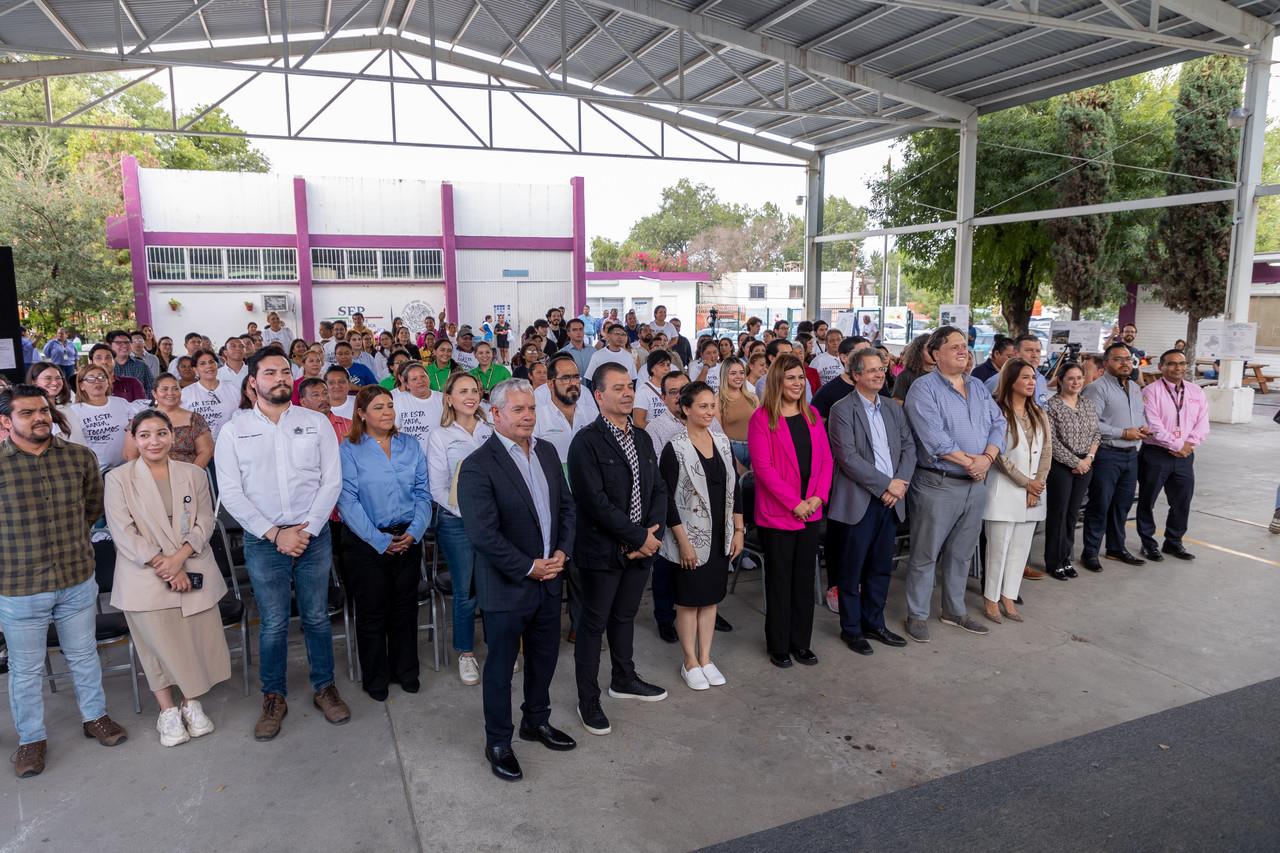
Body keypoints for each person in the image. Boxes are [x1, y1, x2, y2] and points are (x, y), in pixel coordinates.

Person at [214, 350, 351, 740]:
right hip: (263, 541)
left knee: (316, 616)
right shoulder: (234, 430)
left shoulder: (315, 422)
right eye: (269, 372)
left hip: (313, 535)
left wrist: (305, 529)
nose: (279, 378)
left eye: (284, 372)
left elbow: (331, 481)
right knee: (273, 623)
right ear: (252, 382)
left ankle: (324, 687)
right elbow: (231, 493)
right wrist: (276, 534)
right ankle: (274, 696)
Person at [0, 385, 127, 778]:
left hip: (75, 576)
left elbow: (92, 507)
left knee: (84, 654)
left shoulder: (78, 458)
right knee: (26, 669)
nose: (40, 417)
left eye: (43, 410)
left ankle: (95, 717)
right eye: (27, 413)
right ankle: (31, 740)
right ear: (6, 422)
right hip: (20, 586)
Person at [456, 379, 577, 782]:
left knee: (545, 658)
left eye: (531, 409)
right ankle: (498, 742)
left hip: (549, 579)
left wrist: (561, 552)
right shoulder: (477, 465)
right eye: (518, 410)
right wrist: (529, 567)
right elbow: (483, 535)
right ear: (496, 415)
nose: (528, 416)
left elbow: (566, 508)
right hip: (508, 586)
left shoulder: (546, 452)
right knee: (501, 669)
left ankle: (535, 721)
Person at [104, 410, 231, 747]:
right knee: (156, 646)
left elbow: (205, 519)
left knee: (196, 639)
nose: (153, 441)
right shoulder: (118, 479)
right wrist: (164, 565)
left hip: (192, 565)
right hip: (144, 575)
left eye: (161, 433)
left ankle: (192, 703)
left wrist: (179, 559)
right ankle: (168, 712)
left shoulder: (193, 473)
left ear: (172, 436)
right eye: (144, 435)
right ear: (133, 438)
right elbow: (123, 532)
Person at [567, 362, 669, 737]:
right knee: (593, 625)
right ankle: (588, 699)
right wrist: (636, 537)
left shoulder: (641, 438)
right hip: (602, 552)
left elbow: (658, 488)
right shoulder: (587, 442)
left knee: (624, 617)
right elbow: (593, 502)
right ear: (598, 395)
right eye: (618, 388)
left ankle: (624, 679)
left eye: (630, 387)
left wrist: (650, 535)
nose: (627, 393)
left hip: (642, 547)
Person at [901, 327, 1005, 642]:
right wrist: (970, 462)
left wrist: (986, 459)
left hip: (976, 483)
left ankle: (954, 611)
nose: (964, 351)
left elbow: (998, 423)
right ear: (935, 354)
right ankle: (917, 614)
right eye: (955, 346)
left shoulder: (977, 386)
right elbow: (934, 439)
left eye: (965, 346)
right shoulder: (923, 389)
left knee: (961, 552)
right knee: (925, 553)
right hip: (939, 483)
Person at [338, 387, 430, 701]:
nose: (388, 412)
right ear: (362, 414)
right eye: (378, 407)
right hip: (367, 542)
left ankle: (406, 670)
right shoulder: (349, 449)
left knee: (405, 609)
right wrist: (379, 540)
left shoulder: (410, 445)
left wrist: (415, 531)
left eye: (390, 405)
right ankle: (376, 677)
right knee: (372, 611)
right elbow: (347, 501)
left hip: (406, 537)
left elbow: (422, 492)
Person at [825, 349, 914, 655]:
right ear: (856, 375)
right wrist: (886, 484)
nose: (880, 374)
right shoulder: (841, 409)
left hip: (892, 500)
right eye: (872, 370)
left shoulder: (892, 407)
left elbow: (908, 448)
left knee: (880, 568)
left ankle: (874, 623)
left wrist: (899, 485)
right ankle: (851, 629)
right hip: (859, 500)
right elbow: (847, 458)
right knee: (852, 570)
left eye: (882, 369)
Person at [656, 381, 743, 691]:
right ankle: (690, 661)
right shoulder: (675, 447)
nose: (709, 411)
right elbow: (664, 498)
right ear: (686, 409)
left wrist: (739, 530)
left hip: (721, 534)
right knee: (689, 602)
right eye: (702, 406)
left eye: (712, 405)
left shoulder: (722, 442)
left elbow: (735, 487)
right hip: (689, 538)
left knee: (710, 601)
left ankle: (706, 658)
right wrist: (682, 542)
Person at [747, 354, 832, 668]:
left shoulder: (811, 415)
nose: (798, 383)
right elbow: (764, 470)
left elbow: (825, 461)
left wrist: (816, 499)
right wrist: (795, 503)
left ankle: (801, 643)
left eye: (801, 378)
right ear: (777, 382)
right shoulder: (762, 418)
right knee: (780, 581)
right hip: (779, 514)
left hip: (810, 510)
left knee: (804, 578)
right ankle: (779, 645)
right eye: (791, 378)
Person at [427, 372, 494, 686]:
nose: (471, 396)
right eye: (463, 391)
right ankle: (466, 653)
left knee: (495, 586)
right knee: (466, 591)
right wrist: (468, 512)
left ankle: (499, 646)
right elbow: (438, 488)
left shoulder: (491, 430)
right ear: (449, 397)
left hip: (495, 522)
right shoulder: (440, 435)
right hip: (457, 523)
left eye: (475, 390)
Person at [982, 360, 1050, 624]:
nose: (1032, 382)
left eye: (1033, 377)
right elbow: (998, 455)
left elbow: (1047, 452)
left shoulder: (1039, 413)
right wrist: (1026, 483)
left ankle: (1009, 595)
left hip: (1033, 492)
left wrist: (1038, 484)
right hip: (1005, 490)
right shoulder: (997, 411)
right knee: (998, 549)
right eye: (1025, 377)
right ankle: (991, 598)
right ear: (1010, 381)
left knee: (1020, 549)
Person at [1079, 343, 1151, 572]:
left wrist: (1143, 429)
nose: (1125, 364)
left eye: (1128, 359)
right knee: (1100, 504)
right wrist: (1123, 432)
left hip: (1131, 454)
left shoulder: (1134, 388)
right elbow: (1091, 424)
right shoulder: (1097, 389)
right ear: (1107, 363)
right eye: (1118, 359)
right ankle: (1090, 552)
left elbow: (1139, 416)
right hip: (1107, 454)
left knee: (1121, 505)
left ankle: (1115, 547)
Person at [1136, 349, 1208, 562]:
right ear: (1161, 367)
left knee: (1182, 501)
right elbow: (1153, 425)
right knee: (1147, 500)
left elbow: (1203, 422)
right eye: (1172, 364)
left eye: (1182, 363)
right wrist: (1178, 444)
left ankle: (1174, 542)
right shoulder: (1150, 392)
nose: (1178, 368)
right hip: (1156, 454)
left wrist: (1190, 444)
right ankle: (1148, 544)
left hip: (1185, 455)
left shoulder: (1196, 392)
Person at [1043, 362, 1100, 581]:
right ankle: (1054, 561)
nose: (1076, 382)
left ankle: (1065, 558)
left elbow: (1096, 433)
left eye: (1079, 378)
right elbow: (1052, 441)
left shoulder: (1087, 403)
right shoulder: (1051, 406)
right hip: (1061, 466)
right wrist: (1075, 462)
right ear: (1061, 381)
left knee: (1072, 514)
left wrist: (1088, 459)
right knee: (1058, 514)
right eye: (1070, 378)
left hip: (1086, 464)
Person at [645, 370, 690, 644]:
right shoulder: (656, 429)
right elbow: (661, 474)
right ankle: (665, 617)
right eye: (673, 392)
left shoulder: (707, 420)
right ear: (663, 398)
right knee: (667, 565)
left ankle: (700, 607)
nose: (680, 396)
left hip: (702, 506)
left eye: (685, 390)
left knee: (701, 566)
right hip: (670, 503)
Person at [66, 364, 141, 473]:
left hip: (126, 468)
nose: (97, 381)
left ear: (108, 382)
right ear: (82, 385)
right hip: (96, 472)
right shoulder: (74, 411)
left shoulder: (121, 403)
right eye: (91, 378)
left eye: (101, 377)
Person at [135, 373, 213, 468]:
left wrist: (191, 476)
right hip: (148, 477)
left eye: (175, 389)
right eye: (165, 389)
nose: (170, 393)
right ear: (154, 393)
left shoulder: (195, 419)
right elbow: (130, 454)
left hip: (189, 476)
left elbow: (206, 451)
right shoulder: (141, 419)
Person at [180, 349, 240, 442]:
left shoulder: (233, 388)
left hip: (230, 443)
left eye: (211, 362)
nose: (208, 366)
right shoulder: (186, 393)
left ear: (217, 365)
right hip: (200, 448)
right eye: (202, 363)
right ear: (195, 369)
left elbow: (242, 416)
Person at [812, 337, 873, 420]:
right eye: (861, 353)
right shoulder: (826, 392)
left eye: (870, 353)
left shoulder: (877, 385)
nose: (868, 358)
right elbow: (816, 427)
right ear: (844, 358)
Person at [392, 363, 443, 460]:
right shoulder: (397, 401)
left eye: (423, 376)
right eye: (414, 379)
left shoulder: (443, 399)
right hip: (409, 458)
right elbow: (394, 431)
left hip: (439, 456)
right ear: (406, 384)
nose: (420, 381)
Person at [983, 334, 1049, 407]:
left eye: (1038, 351)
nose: (1034, 355)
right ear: (1015, 353)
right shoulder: (997, 381)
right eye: (1029, 350)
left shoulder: (1041, 379)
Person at [716, 357, 758, 470]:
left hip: (754, 447)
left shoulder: (753, 398)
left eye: (741, 373)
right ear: (725, 375)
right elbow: (718, 435)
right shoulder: (717, 400)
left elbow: (761, 428)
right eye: (733, 373)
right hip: (731, 449)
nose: (739, 377)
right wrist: (735, 460)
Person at [106, 329, 154, 397]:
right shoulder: (105, 367)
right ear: (109, 345)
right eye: (119, 343)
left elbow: (151, 389)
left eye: (127, 342)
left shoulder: (141, 366)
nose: (125, 346)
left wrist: (144, 405)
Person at [633, 350, 672, 429]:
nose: (666, 368)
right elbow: (638, 422)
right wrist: (659, 432)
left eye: (668, 365)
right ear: (652, 369)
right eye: (662, 365)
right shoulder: (643, 391)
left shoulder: (672, 389)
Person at [891, 334, 934, 403]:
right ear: (919, 351)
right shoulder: (905, 376)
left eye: (936, 348)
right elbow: (897, 402)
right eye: (929, 349)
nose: (933, 352)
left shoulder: (942, 374)